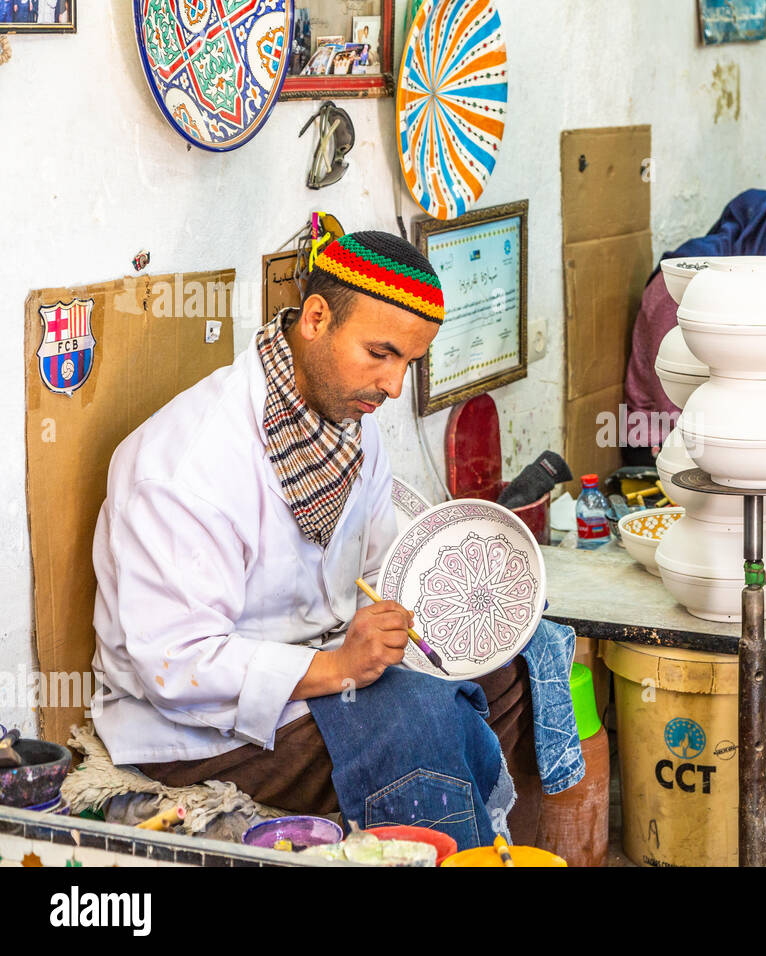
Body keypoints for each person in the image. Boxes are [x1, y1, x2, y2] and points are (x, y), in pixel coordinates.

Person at [92, 232, 581, 849]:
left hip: (326, 661)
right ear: (317, 317)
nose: (394, 386)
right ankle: (451, 852)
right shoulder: (186, 467)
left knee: (516, 662)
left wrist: (437, 614)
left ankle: (498, 855)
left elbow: (379, 564)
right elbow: (178, 666)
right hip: (202, 728)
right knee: (423, 720)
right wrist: (336, 668)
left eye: (408, 362)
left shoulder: (349, 424)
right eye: (380, 353)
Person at [622, 189, 766, 465]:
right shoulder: (682, 285)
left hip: (723, 423)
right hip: (664, 441)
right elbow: (683, 404)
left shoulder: (748, 281)